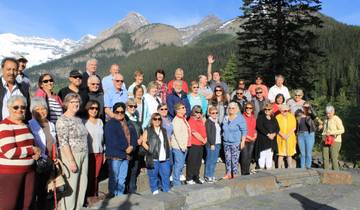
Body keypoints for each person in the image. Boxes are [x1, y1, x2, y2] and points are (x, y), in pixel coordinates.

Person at [0, 95, 41, 210]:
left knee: (26, 205)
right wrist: (32, 150)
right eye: (16, 107)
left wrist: (36, 152)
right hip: (10, 174)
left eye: (23, 107)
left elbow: (30, 144)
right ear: (9, 108)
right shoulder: (4, 126)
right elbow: (9, 152)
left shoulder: (26, 125)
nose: (20, 110)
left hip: (29, 171)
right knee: (8, 205)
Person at [56, 93, 89, 210]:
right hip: (71, 155)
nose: (76, 104)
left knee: (82, 184)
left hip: (84, 154)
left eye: (77, 102)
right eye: (72, 102)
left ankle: (78, 207)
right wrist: (71, 161)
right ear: (66, 104)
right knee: (72, 186)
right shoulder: (62, 120)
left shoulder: (79, 120)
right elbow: (63, 142)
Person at [28, 97, 58, 210]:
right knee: (36, 191)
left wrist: (56, 156)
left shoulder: (51, 125)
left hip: (50, 162)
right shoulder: (30, 125)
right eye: (38, 109)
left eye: (44, 108)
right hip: (38, 164)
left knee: (45, 192)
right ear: (32, 111)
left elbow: (55, 143)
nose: (41, 111)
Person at [104, 102, 137, 196]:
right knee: (114, 179)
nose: (119, 114)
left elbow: (134, 136)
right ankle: (113, 199)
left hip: (126, 155)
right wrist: (126, 148)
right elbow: (112, 141)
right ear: (113, 112)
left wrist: (132, 146)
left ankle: (120, 198)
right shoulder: (110, 124)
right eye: (117, 112)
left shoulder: (128, 123)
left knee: (122, 179)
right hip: (115, 155)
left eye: (122, 112)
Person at [142, 113, 171, 194]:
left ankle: (166, 190)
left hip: (165, 157)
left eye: (159, 119)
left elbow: (168, 141)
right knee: (153, 176)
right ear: (152, 120)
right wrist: (150, 150)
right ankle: (155, 190)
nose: (157, 121)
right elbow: (143, 142)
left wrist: (169, 149)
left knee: (165, 175)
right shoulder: (148, 130)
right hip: (153, 158)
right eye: (155, 119)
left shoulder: (164, 130)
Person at [83, 100, 104, 204]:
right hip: (89, 153)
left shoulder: (100, 121)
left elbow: (103, 139)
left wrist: (103, 152)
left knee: (96, 176)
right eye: (92, 108)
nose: (94, 110)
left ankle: (94, 195)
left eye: (96, 108)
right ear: (87, 109)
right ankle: (88, 197)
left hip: (99, 152)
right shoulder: (84, 122)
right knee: (89, 176)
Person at [0, 57, 31, 122]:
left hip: (19, 128)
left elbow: (27, 111)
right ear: (2, 70)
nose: (11, 72)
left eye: (14, 70)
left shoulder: (23, 89)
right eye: (8, 69)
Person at [222, 102, 247, 179]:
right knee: (227, 159)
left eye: (233, 108)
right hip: (226, 142)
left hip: (235, 142)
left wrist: (243, 141)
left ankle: (235, 174)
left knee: (235, 159)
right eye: (229, 108)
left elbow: (244, 130)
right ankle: (228, 173)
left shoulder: (240, 118)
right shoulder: (225, 118)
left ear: (236, 109)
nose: (231, 110)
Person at [125, 99, 143, 194]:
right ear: (127, 107)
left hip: (137, 147)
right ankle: (125, 189)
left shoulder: (135, 117)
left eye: (135, 106)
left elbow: (140, 131)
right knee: (128, 169)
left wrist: (141, 138)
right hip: (129, 146)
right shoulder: (125, 118)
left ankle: (132, 189)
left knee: (135, 168)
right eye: (131, 106)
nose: (133, 108)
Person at [171, 103, 191, 187]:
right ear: (177, 110)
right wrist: (183, 146)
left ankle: (177, 180)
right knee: (178, 165)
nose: (184, 108)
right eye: (182, 108)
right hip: (179, 147)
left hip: (184, 146)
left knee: (181, 164)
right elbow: (177, 135)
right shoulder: (176, 120)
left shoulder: (183, 118)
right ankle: (176, 183)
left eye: (184, 107)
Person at [186, 106, 207, 184]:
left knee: (198, 162)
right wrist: (203, 139)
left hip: (201, 144)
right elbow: (194, 133)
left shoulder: (200, 120)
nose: (198, 114)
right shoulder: (191, 120)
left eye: (200, 112)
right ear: (193, 112)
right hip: (194, 144)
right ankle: (189, 178)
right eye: (197, 112)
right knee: (192, 162)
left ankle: (196, 177)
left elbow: (203, 130)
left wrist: (205, 138)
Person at [255, 103, 280, 170]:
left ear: (271, 110)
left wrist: (274, 134)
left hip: (272, 140)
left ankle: (269, 170)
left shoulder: (274, 118)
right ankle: (261, 170)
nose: (267, 110)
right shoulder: (260, 118)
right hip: (263, 140)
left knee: (270, 155)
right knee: (262, 155)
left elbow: (278, 128)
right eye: (265, 109)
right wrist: (268, 134)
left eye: (269, 109)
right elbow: (259, 127)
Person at [322, 105, 345, 170]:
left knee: (333, 158)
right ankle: (325, 173)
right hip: (326, 140)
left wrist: (331, 132)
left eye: (329, 113)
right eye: (327, 113)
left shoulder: (336, 119)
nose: (328, 115)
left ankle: (336, 174)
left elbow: (342, 130)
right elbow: (325, 130)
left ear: (333, 112)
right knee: (325, 157)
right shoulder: (325, 119)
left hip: (335, 141)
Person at [296, 102, 318, 169]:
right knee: (302, 153)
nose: (305, 108)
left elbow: (315, 116)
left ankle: (308, 166)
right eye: (304, 107)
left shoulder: (311, 115)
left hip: (309, 134)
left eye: (307, 107)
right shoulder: (299, 114)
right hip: (300, 134)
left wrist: (310, 109)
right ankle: (302, 167)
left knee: (308, 153)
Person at [276, 104, 297, 168]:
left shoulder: (291, 116)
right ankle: (279, 168)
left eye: (288, 110)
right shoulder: (277, 117)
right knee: (281, 154)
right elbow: (276, 128)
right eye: (284, 111)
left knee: (289, 154)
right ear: (281, 111)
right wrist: (282, 135)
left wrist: (287, 135)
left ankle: (290, 167)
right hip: (280, 137)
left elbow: (294, 127)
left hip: (290, 137)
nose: (286, 112)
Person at [204, 106, 222, 183]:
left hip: (218, 143)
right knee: (210, 160)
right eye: (212, 113)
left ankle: (211, 174)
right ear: (209, 114)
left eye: (216, 113)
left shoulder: (216, 121)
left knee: (214, 160)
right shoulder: (208, 122)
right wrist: (212, 143)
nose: (214, 114)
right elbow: (209, 134)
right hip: (212, 144)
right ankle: (208, 176)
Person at [241, 102, 257, 175]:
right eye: (247, 108)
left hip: (252, 140)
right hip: (245, 139)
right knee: (244, 156)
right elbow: (241, 129)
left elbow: (254, 128)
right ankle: (244, 172)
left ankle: (247, 171)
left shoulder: (253, 117)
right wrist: (249, 137)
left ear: (252, 109)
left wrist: (255, 135)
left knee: (249, 156)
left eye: (250, 108)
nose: (248, 109)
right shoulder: (242, 117)